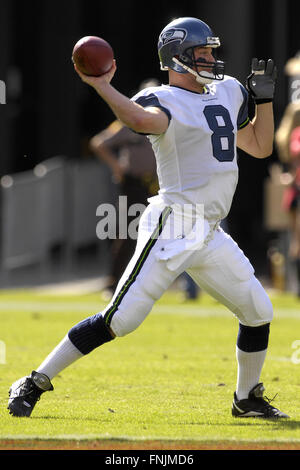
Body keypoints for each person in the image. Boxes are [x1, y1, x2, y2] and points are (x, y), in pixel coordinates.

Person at [8, 17, 289, 419]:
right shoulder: (162, 100)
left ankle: (246, 399)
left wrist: (263, 101)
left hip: (210, 230)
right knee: (120, 320)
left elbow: (261, 147)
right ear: (178, 59)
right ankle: (34, 380)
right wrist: (102, 85)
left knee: (258, 310)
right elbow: (142, 121)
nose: (212, 59)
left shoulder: (227, 92)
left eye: (212, 51)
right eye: (203, 53)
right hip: (172, 225)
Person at [89, 79, 159, 298]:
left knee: (162, 234)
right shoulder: (129, 122)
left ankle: (146, 283)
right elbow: (99, 143)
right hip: (135, 184)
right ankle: (113, 283)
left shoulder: (164, 120)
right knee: (129, 233)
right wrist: (116, 166)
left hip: (158, 185)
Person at [275, 101, 300, 295]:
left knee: (296, 242)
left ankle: (296, 286)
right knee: (297, 242)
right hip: (297, 189)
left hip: (294, 191)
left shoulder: (286, 135)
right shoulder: (296, 135)